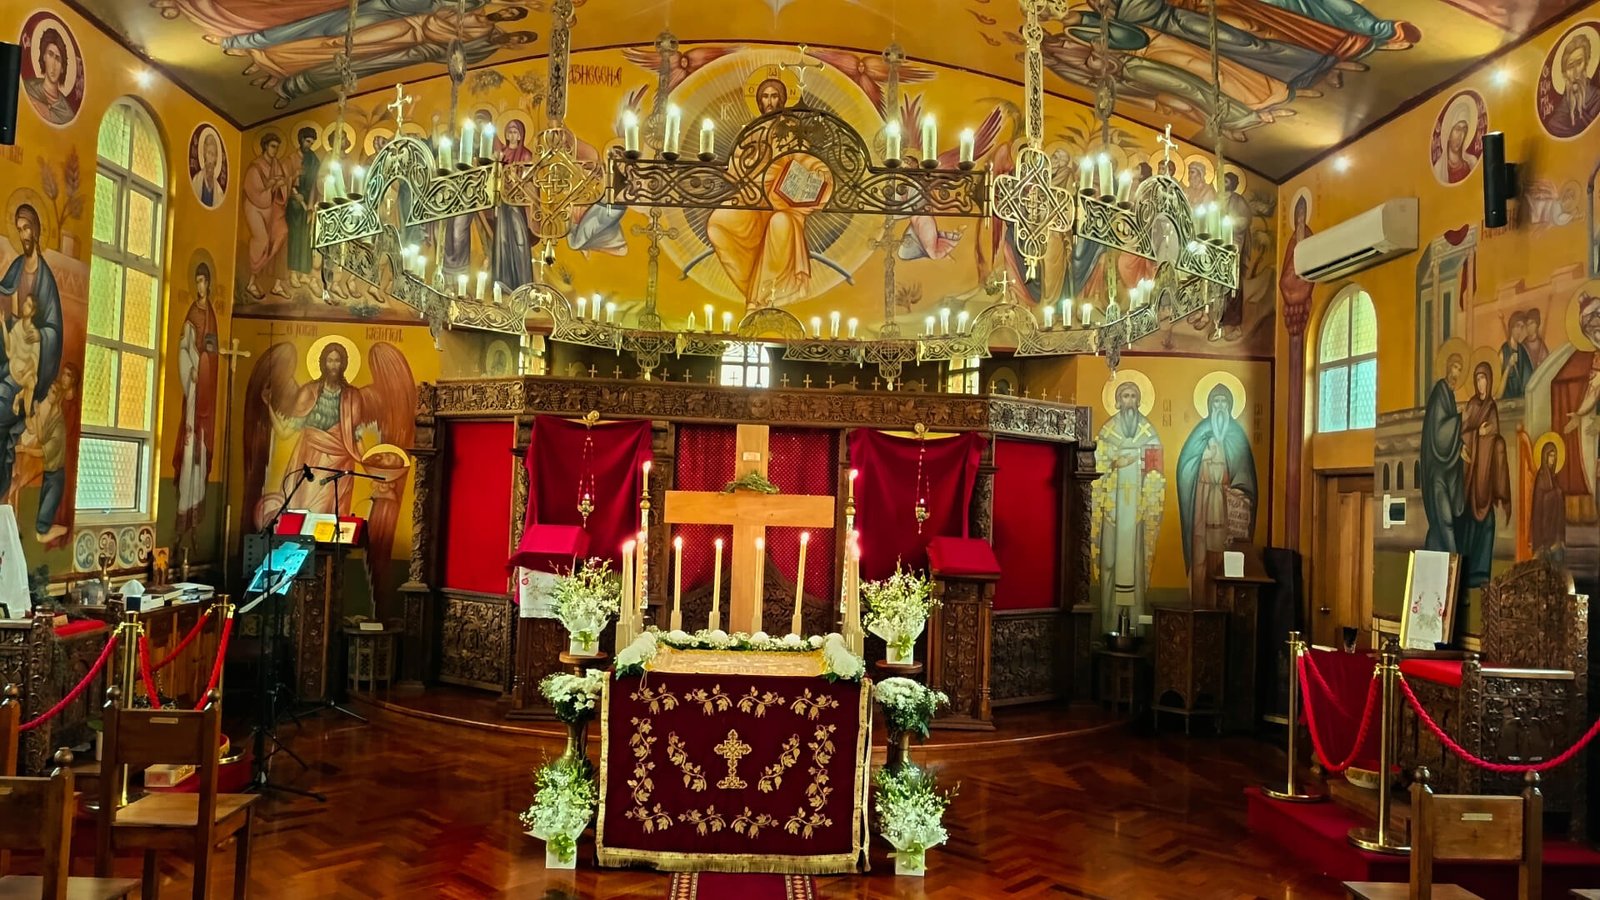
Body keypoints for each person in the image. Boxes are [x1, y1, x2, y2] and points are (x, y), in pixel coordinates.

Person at [0, 204, 64, 508]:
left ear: (36, 231)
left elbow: (54, 330)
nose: (24, 234)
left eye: (27, 228)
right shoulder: (15, 268)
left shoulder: (46, 280)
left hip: (32, 368)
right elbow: (5, 299)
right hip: (12, 358)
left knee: (3, 409)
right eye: (19, 228)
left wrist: (38, 335)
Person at [1093, 381, 1164, 626]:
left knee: (1136, 564)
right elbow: (1096, 463)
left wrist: (1147, 491)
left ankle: (1135, 623)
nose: (1129, 401)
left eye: (1133, 396)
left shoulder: (1149, 433)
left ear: (1139, 400)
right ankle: (1108, 621)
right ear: (1117, 401)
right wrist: (1115, 462)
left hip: (1137, 514)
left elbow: (1156, 471)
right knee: (1110, 562)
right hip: (1112, 510)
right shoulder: (1107, 431)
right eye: (1125, 396)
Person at [1176, 383, 1258, 594]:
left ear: (1230, 406)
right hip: (1202, 500)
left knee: (1223, 551)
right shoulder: (1200, 432)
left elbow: (1245, 474)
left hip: (1225, 501)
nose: (1220, 406)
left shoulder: (1237, 435)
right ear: (1209, 405)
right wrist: (1202, 459)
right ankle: (1198, 599)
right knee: (1200, 550)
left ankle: (1221, 600)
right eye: (1216, 402)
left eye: (1224, 402)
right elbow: (1185, 467)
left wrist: (1239, 492)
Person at [174, 263, 220, 541]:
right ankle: (182, 515)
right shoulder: (193, 312)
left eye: (203, 281)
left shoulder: (212, 315)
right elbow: (183, 346)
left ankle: (196, 515)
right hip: (193, 385)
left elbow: (212, 351)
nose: (199, 286)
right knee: (190, 447)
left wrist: (207, 362)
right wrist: (192, 365)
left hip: (207, 390)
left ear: (210, 283)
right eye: (197, 281)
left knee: (201, 453)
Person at [1458, 361, 1510, 587]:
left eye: (1485, 379)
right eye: (1478, 379)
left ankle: (1481, 572)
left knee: (1487, 525)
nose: (1482, 383)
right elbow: (1463, 434)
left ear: (1489, 381)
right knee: (1470, 525)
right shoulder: (1470, 405)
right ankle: (1466, 571)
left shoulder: (1492, 406)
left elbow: (1496, 433)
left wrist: (1491, 436)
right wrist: (1477, 434)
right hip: (1472, 479)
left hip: (1487, 477)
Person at [1421, 352, 1466, 552]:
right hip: (1437, 471)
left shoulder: (1449, 395)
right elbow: (1439, 432)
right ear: (1447, 367)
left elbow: (1451, 436)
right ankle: (1453, 564)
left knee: (1443, 524)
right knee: (1445, 520)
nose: (1456, 373)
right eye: (1454, 367)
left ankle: (1443, 565)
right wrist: (1461, 418)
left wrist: (1460, 446)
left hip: (1447, 471)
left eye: (1460, 369)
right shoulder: (1440, 391)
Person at [242, 133, 289, 299]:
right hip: (255, 207)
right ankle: (251, 281)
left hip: (270, 207)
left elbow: (282, 189)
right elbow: (254, 192)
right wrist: (270, 185)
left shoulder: (276, 164)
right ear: (265, 146)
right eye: (272, 146)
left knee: (281, 233)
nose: (275, 150)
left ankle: (273, 282)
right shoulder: (255, 167)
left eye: (277, 147)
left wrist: (281, 185)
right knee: (261, 240)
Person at [491, 119, 535, 290]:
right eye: (509, 131)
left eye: (515, 131)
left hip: (517, 203)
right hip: (503, 202)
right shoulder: (501, 153)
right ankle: (503, 282)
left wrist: (515, 178)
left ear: (521, 135)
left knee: (519, 239)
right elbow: (495, 175)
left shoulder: (526, 154)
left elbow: (527, 178)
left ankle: (523, 283)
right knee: (502, 239)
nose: (512, 135)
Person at [1548, 32, 1600, 138]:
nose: (1576, 73)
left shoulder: (1597, 98)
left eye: (1579, 63)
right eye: (1570, 66)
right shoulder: (1560, 111)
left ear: (1586, 63)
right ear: (1564, 73)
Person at [286, 127, 320, 290]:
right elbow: (286, 179)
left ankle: (304, 274)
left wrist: (311, 206)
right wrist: (294, 194)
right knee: (295, 237)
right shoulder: (292, 158)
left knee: (306, 238)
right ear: (300, 140)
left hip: (307, 203)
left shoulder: (314, 160)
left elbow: (315, 184)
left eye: (312, 142)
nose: (309, 145)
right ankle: (293, 273)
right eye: (307, 141)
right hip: (294, 204)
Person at [22, 28, 74, 125]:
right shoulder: (28, 87)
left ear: (62, 68)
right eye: (50, 54)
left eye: (58, 59)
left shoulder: (67, 113)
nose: (53, 65)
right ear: (44, 56)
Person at [2, 297, 40, 418]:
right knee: (32, 381)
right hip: (16, 366)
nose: (24, 306)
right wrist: (2, 323)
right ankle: (27, 414)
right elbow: (9, 347)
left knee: (32, 380)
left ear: (33, 312)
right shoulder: (18, 326)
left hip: (26, 369)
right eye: (25, 302)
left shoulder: (34, 333)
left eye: (28, 305)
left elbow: (34, 358)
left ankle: (20, 402)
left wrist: (26, 371)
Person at [1530, 439, 1566, 560]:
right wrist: (1556, 494)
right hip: (1545, 532)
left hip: (1555, 531)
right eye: (1550, 455)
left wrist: (1557, 494)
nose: (1553, 459)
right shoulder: (1541, 477)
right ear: (1545, 456)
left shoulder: (1554, 477)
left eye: (1555, 456)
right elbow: (1538, 508)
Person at [1498, 310, 1533, 399]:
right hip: (1506, 401)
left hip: (1521, 399)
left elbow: (1528, 375)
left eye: (1522, 327)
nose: (1519, 330)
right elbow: (1498, 386)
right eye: (1517, 326)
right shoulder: (1504, 352)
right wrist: (1509, 365)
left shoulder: (1523, 351)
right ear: (1511, 327)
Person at [191, 129, 225, 208]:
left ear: (216, 159)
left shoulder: (218, 189)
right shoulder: (197, 180)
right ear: (204, 154)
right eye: (208, 153)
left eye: (213, 154)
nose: (210, 158)